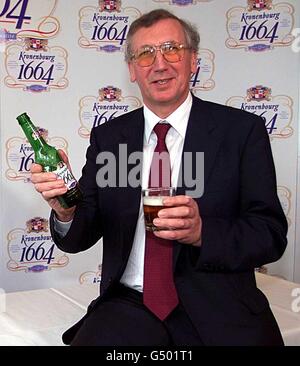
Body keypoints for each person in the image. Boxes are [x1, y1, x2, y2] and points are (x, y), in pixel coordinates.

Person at [30, 9, 288, 346]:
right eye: (146, 54)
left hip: (220, 305)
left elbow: (269, 235)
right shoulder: (111, 138)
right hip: (129, 305)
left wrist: (201, 233)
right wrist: (65, 209)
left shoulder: (241, 131)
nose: (160, 63)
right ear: (132, 70)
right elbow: (81, 234)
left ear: (193, 60)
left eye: (172, 49)